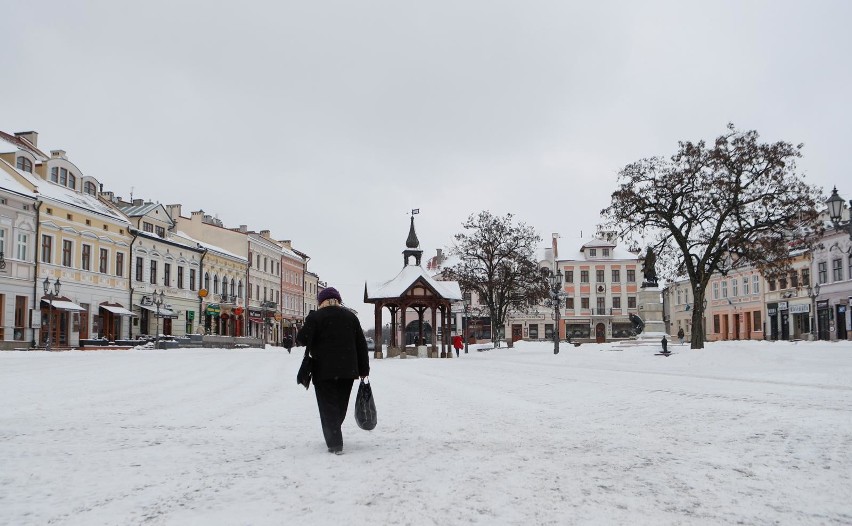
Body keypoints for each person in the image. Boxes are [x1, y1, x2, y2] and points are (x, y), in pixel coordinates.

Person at [296, 287, 369, 455]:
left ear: (321, 301)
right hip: (348, 370)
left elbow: (301, 339)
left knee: (328, 406)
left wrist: (310, 322)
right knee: (340, 405)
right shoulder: (351, 317)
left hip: (323, 370)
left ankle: (335, 442)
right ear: (338, 300)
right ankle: (334, 430)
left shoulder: (316, 317)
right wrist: (364, 370)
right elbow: (361, 345)